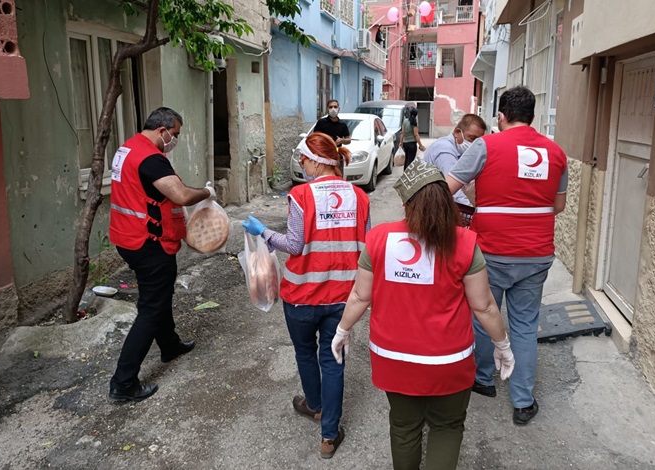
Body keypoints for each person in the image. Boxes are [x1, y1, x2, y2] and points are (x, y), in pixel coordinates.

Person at [331, 160, 515, 470]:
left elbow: (361, 295)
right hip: (449, 361)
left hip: (393, 358)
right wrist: (503, 346)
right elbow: (484, 306)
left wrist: (342, 330)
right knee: (447, 426)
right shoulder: (465, 243)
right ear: (448, 201)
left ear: (405, 202)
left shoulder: (378, 239)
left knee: (404, 428)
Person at [241, 132, 371, 459]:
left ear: (316, 160)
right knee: (334, 360)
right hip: (343, 297)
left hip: (301, 296)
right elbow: (367, 247)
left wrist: (264, 234)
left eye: (303, 159)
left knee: (304, 352)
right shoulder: (360, 197)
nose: (302, 164)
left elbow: (295, 245)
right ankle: (329, 435)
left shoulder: (301, 195)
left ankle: (314, 405)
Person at [445, 86, 568, 425]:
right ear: (532, 115)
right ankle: (523, 401)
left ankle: (483, 380)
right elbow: (558, 205)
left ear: (500, 116)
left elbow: (447, 187)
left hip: (491, 251)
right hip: (537, 252)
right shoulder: (556, 153)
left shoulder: (485, 146)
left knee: (485, 313)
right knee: (526, 325)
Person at [107, 107, 216, 403]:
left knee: (158, 294)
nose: (175, 139)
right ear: (162, 129)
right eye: (175, 134)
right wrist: (206, 193)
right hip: (148, 241)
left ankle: (169, 344)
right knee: (151, 307)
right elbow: (179, 195)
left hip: (126, 236)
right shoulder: (150, 158)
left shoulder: (127, 148)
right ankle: (123, 383)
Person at [423, 113, 487, 208]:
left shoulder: (458, 150)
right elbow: (453, 192)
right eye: (472, 138)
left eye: (478, 141)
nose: (474, 144)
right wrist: (471, 212)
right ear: (457, 132)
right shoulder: (445, 151)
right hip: (430, 205)